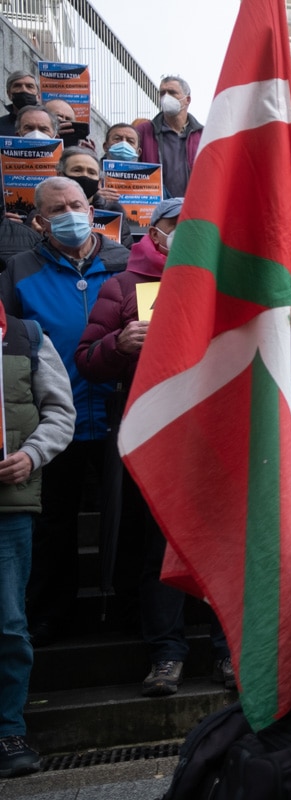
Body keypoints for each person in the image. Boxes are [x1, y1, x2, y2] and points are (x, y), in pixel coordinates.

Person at [73, 198, 236, 694]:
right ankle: (167, 654)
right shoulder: (123, 285)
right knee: (158, 545)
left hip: (215, 429)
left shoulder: (228, 283)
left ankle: (228, 652)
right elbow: (86, 359)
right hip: (152, 431)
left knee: (220, 544)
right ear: (155, 231)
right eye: (175, 226)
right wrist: (117, 345)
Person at [0, 177, 129, 646]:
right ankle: (52, 614)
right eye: (58, 209)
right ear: (38, 220)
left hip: (120, 415)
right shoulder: (19, 271)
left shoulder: (123, 262)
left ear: (92, 210)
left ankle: (127, 610)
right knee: (54, 524)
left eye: (77, 204)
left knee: (127, 519)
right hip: (53, 421)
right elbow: (9, 340)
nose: (71, 214)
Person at [0, 296, 75, 779]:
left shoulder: (26, 337)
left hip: (9, 509)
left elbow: (60, 414)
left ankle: (8, 728)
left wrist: (31, 455)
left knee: (8, 624)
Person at [133, 76, 203, 198]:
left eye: (172, 92)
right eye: (162, 93)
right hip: (153, 209)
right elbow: (118, 162)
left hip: (191, 210)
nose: (166, 97)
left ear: (187, 99)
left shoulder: (202, 135)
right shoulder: (143, 131)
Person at [0, 71, 38, 137]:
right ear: (9, 94)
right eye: (17, 86)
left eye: (29, 86)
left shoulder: (51, 124)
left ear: (38, 95)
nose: (24, 90)